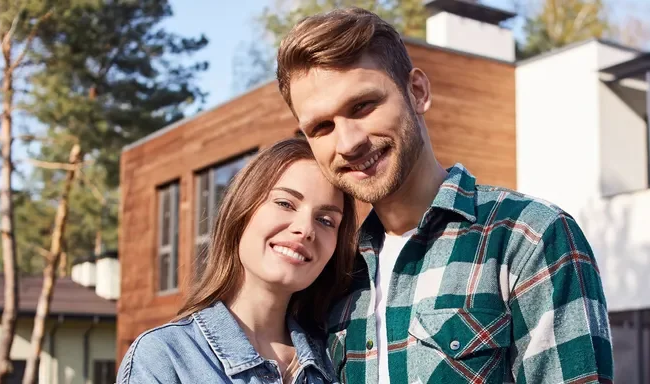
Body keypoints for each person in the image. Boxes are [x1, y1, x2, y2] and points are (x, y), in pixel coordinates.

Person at [275, 7, 613, 384]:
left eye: (363, 106)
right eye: (322, 126)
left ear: (417, 92)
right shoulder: (335, 273)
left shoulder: (529, 239)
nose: (349, 142)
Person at [116, 138, 358, 384]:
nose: (305, 229)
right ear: (241, 211)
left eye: (326, 220)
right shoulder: (165, 358)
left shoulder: (339, 361)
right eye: (285, 203)